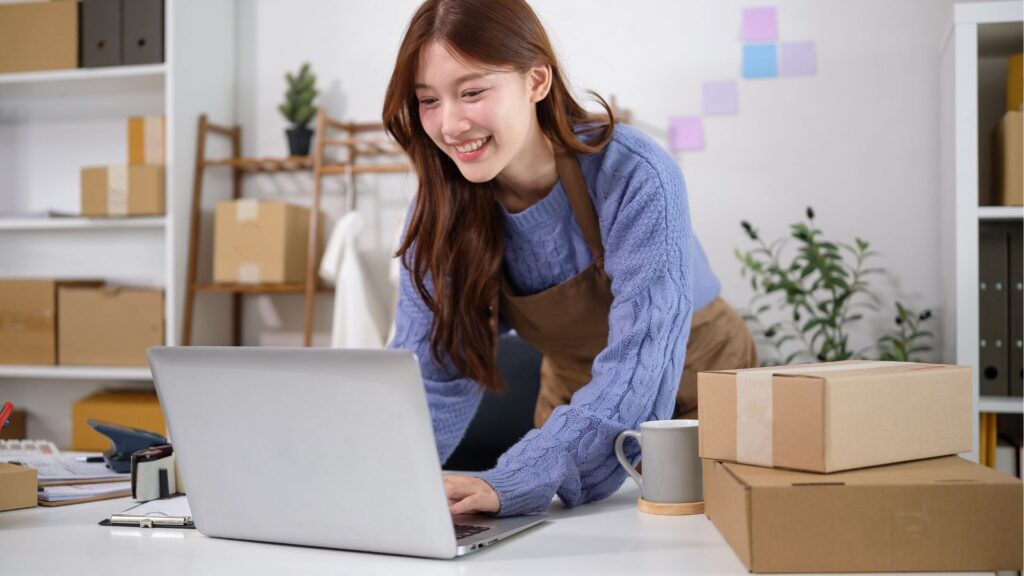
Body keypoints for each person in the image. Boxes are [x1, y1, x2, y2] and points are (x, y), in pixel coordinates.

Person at [382, 0, 757, 517]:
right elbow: (434, 373)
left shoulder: (632, 174)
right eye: (427, 100)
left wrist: (522, 474)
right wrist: (382, 479)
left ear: (536, 81)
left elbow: (642, 358)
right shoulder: (441, 210)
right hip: (574, 398)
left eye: (472, 92)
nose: (450, 124)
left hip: (699, 376)